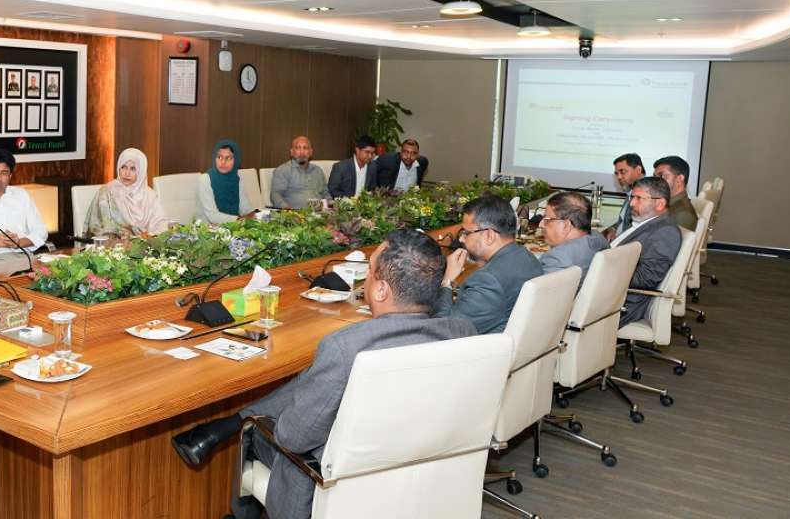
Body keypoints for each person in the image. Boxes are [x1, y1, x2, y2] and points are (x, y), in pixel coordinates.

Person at [169, 230, 476, 519]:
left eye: (370, 271)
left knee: (255, 431)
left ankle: (234, 452)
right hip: (424, 475)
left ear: (381, 289)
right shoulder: (463, 334)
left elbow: (293, 437)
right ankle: (222, 427)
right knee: (312, 381)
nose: (366, 279)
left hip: (336, 486)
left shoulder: (346, 348)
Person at [434, 194, 542, 334]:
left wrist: (447, 281)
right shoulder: (528, 257)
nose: (461, 238)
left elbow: (444, 330)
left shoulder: (487, 281)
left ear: (489, 236)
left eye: (466, 233)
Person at [612, 176, 683, 326]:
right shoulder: (647, 223)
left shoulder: (665, 232)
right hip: (612, 293)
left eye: (639, 198)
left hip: (620, 304)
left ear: (659, 203)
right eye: (632, 197)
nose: (631, 203)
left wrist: (602, 272)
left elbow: (647, 278)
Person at [84, 148, 169, 238]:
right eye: (123, 167)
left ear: (141, 172)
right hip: (114, 247)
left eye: (133, 169)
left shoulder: (150, 195)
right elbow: (99, 228)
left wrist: (148, 237)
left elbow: (161, 223)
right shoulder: (107, 193)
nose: (127, 173)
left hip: (145, 246)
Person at [539, 191, 609, 289]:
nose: (541, 224)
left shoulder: (557, 259)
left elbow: (542, 299)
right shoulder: (599, 239)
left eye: (547, 220)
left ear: (566, 226)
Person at [197, 139, 254, 224]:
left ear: (236, 160)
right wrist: (240, 220)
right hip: (210, 230)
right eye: (219, 157)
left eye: (228, 158)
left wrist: (254, 215)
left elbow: (245, 208)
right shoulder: (205, 179)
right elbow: (213, 216)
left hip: (235, 227)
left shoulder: (236, 178)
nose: (223, 162)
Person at [269, 135, 329, 209]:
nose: (302, 152)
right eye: (297, 148)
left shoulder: (318, 171)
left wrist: (331, 206)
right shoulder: (283, 170)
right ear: (291, 152)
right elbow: (275, 195)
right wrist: (288, 210)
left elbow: (325, 193)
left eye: (305, 148)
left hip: (320, 213)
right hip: (296, 215)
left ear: (311, 152)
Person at [603, 153, 646, 241]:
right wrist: (614, 229)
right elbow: (624, 220)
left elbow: (639, 229)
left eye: (622, 172)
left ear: (638, 170)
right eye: (616, 173)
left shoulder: (646, 196)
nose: (619, 177)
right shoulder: (631, 191)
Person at [653, 155, 698, 230]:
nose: (655, 182)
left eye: (661, 176)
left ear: (679, 179)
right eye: (655, 177)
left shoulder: (682, 215)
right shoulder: (669, 205)